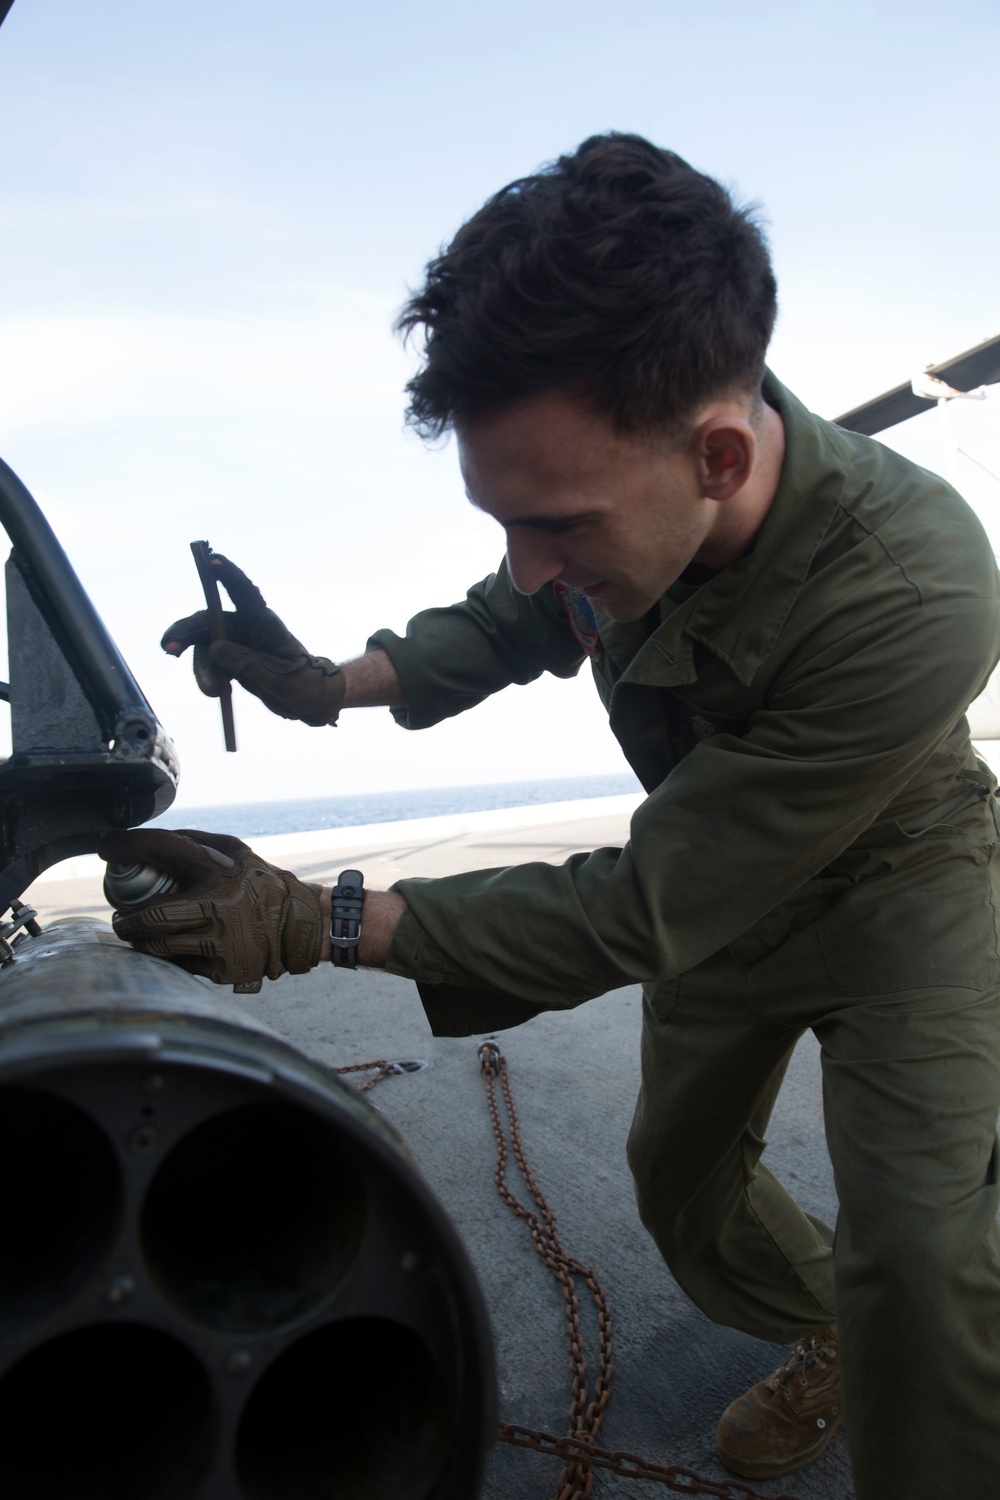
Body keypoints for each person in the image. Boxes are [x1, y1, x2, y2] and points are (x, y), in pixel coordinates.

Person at [101, 134, 1000, 1500]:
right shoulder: (616, 493)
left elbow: (646, 904)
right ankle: (837, 1327)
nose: (531, 562)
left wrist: (313, 920)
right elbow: (505, 621)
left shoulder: (920, 586)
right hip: (722, 895)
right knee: (681, 1195)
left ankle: (905, 1368)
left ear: (716, 456)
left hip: (904, 892)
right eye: (504, 518)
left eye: (555, 527)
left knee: (926, 1262)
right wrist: (317, 685)